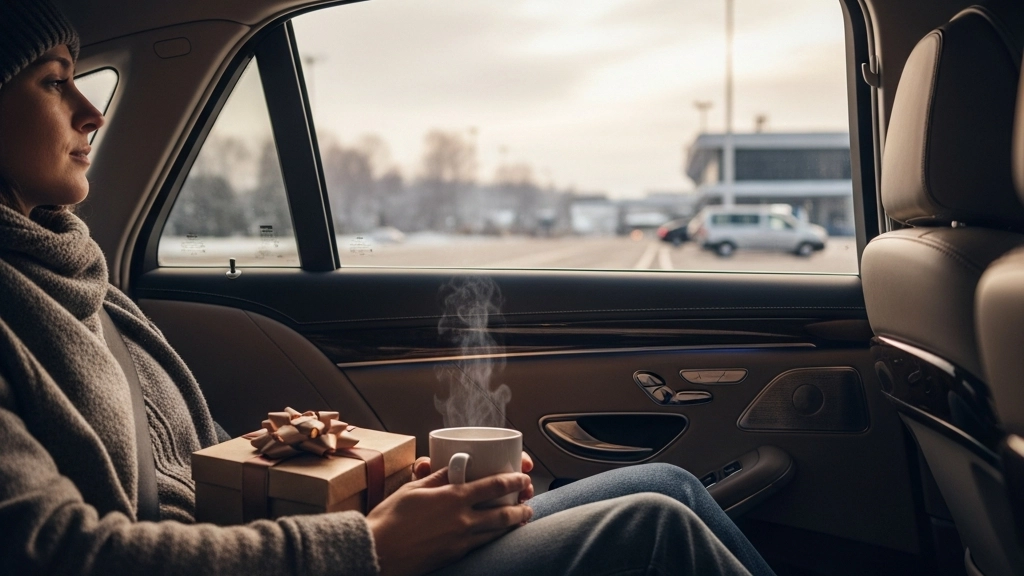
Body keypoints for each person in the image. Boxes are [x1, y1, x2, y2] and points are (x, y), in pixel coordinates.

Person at [0, 2, 774, 575]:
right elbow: (58, 554)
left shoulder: (81, 280)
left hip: (273, 556)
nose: (92, 112)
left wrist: (368, 497)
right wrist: (370, 543)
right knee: (648, 529)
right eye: (54, 83)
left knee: (664, 483)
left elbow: (195, 484)